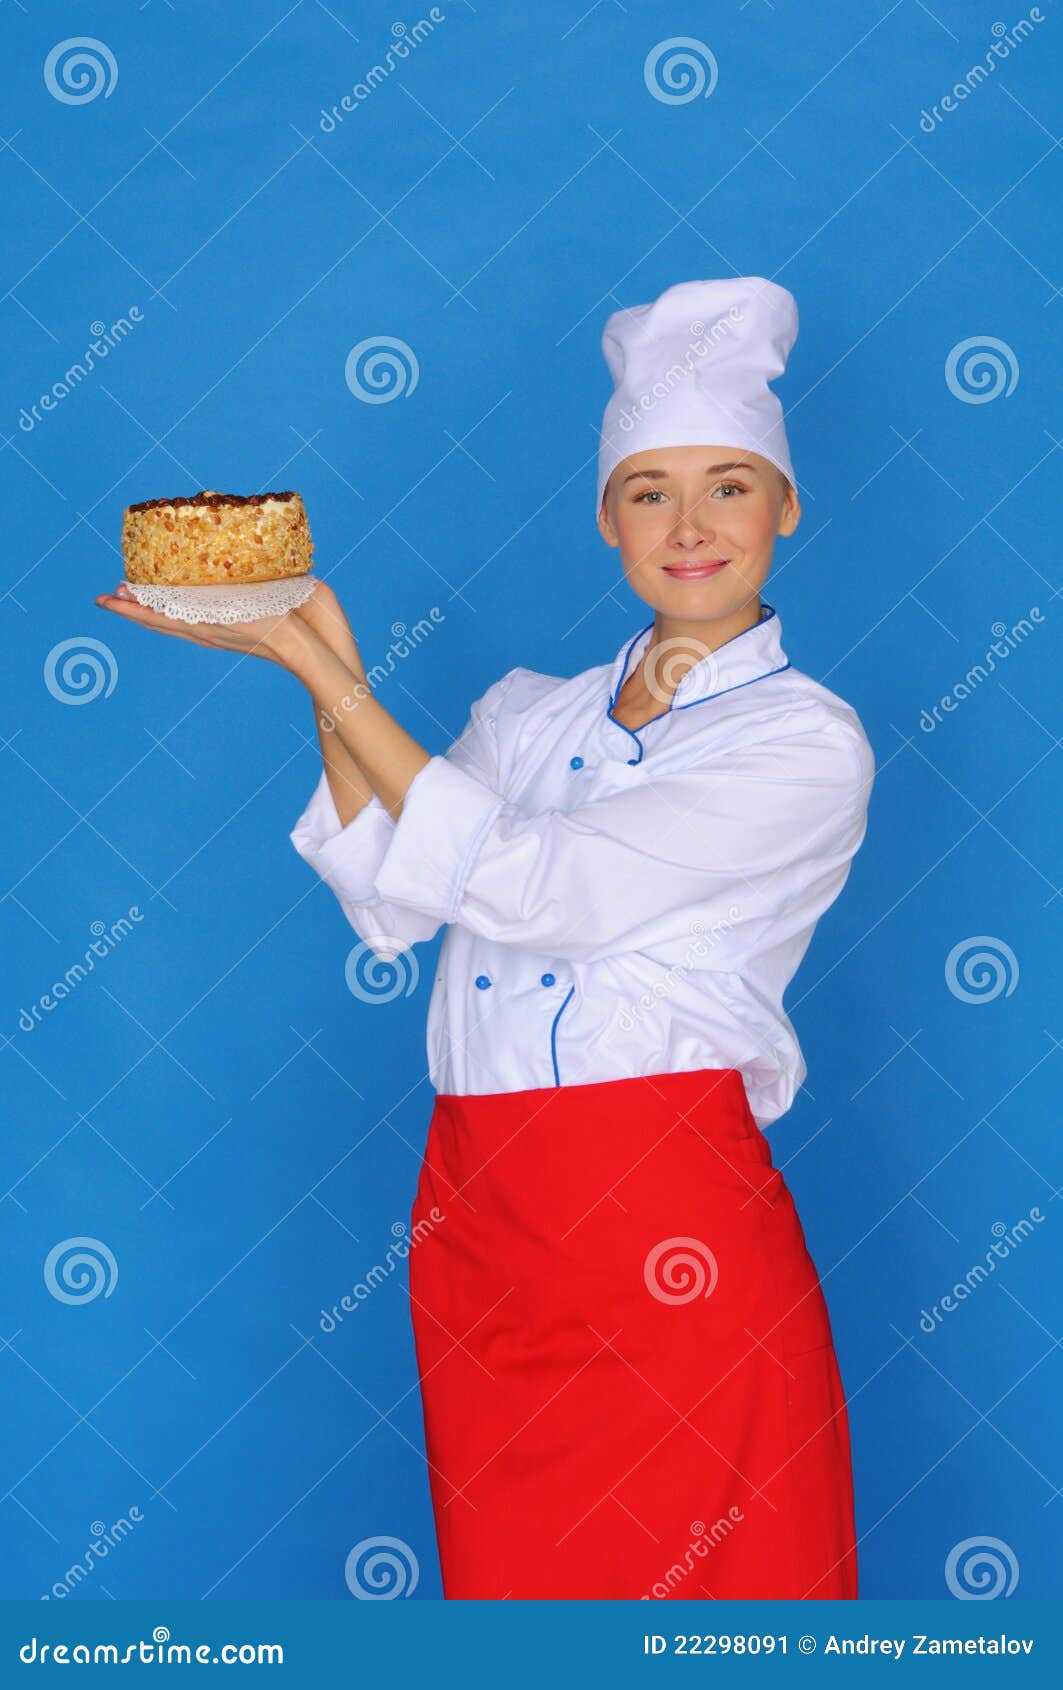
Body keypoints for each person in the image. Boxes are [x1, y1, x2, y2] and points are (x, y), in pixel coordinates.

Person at [97, 276, 874, 1601]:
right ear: (605, 516)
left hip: (670, 1234)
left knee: (720, 1611)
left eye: (730, 485)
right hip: (480, 1219)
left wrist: (343, 679)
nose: (690, 525)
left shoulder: (804, 743)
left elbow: (540, 888)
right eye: (649, 491)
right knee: (521, 1613)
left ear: (786, 505)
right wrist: (314, 668)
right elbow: (391, 906)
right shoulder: (528, 715)